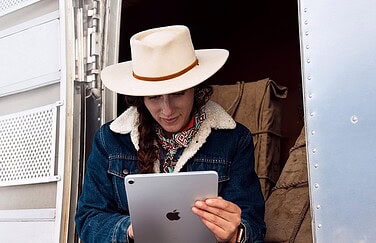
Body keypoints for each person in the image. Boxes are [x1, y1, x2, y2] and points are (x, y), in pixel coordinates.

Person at [75, 25, 266, 243]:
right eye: (154, 97)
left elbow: (254, 225)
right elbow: (87, 219)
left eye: (178, 93)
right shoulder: (109, 141)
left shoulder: (234, 140)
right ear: (141, 98)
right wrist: (130, 230)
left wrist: (237, 234)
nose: (167, 110)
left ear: (196, 87)